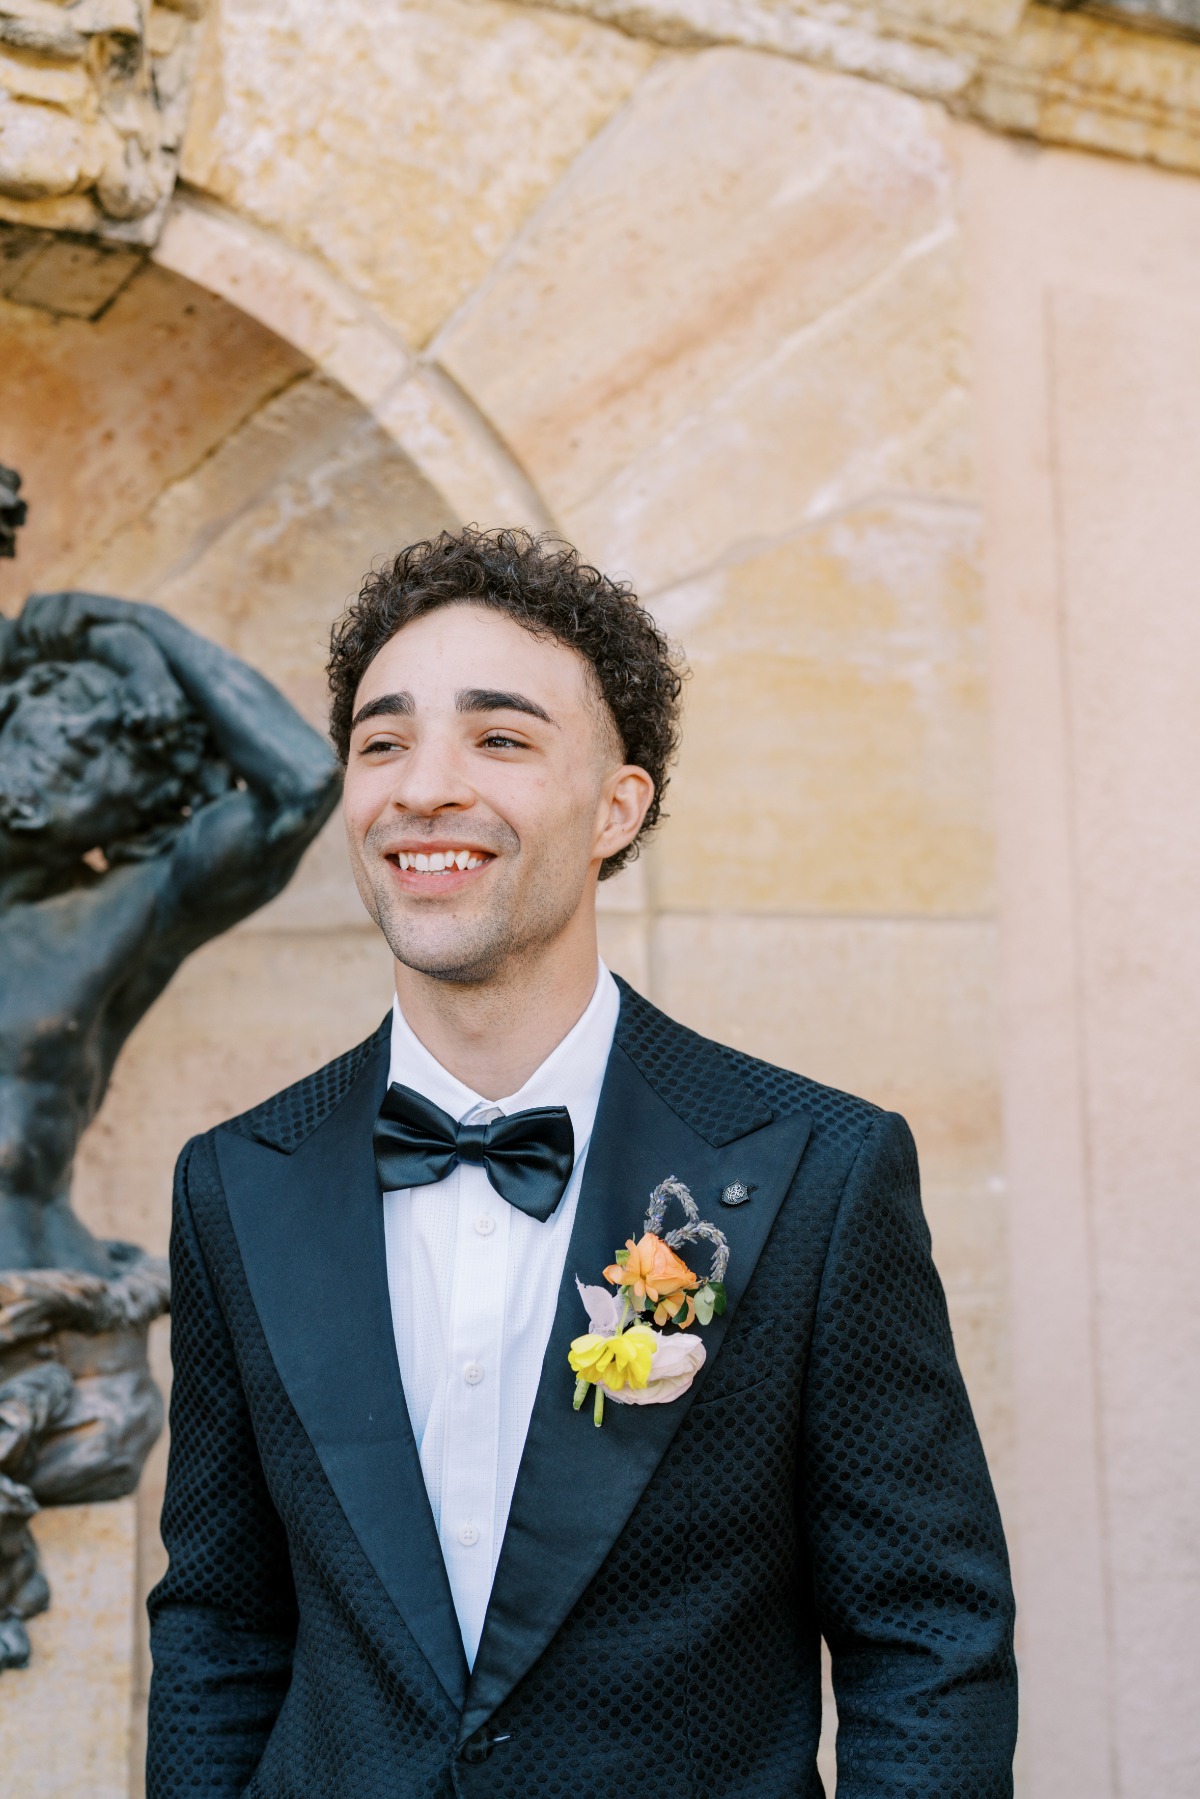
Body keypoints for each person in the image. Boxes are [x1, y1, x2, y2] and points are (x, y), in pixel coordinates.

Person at [147, 528, 1017, 1797]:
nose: (424, 786)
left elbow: (928, 1636)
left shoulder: (816, 1170)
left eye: (499, 739)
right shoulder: (235, 1180)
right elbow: (220, 1625)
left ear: (620, 805)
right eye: (383, 742)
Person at [0, 591, 340, 1275]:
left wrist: (149, 627)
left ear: (139, 819)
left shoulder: (131, 906)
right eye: (69, 703)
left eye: (126, 749)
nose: (79, 740)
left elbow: (304, 781)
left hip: (37, 1310)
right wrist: (118, 646)